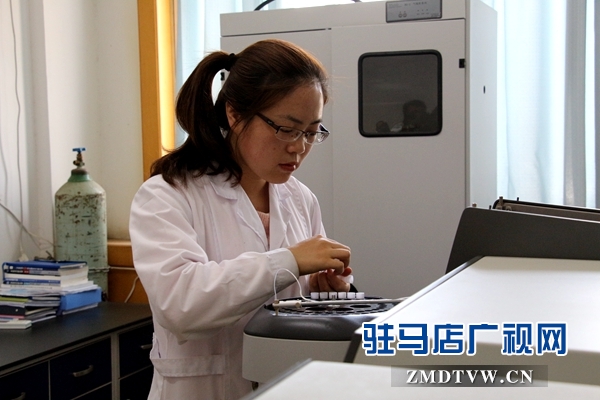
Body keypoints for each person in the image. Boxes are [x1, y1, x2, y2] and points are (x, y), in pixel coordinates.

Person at [129, 39, 353, 400]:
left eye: (312, 132)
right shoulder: (167, 195)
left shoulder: (300, 200)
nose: (298, 147)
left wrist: (327, 293)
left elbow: (297, 309)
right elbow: (181, 306)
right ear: (234, 115)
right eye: (286, 128)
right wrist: (290, 261)